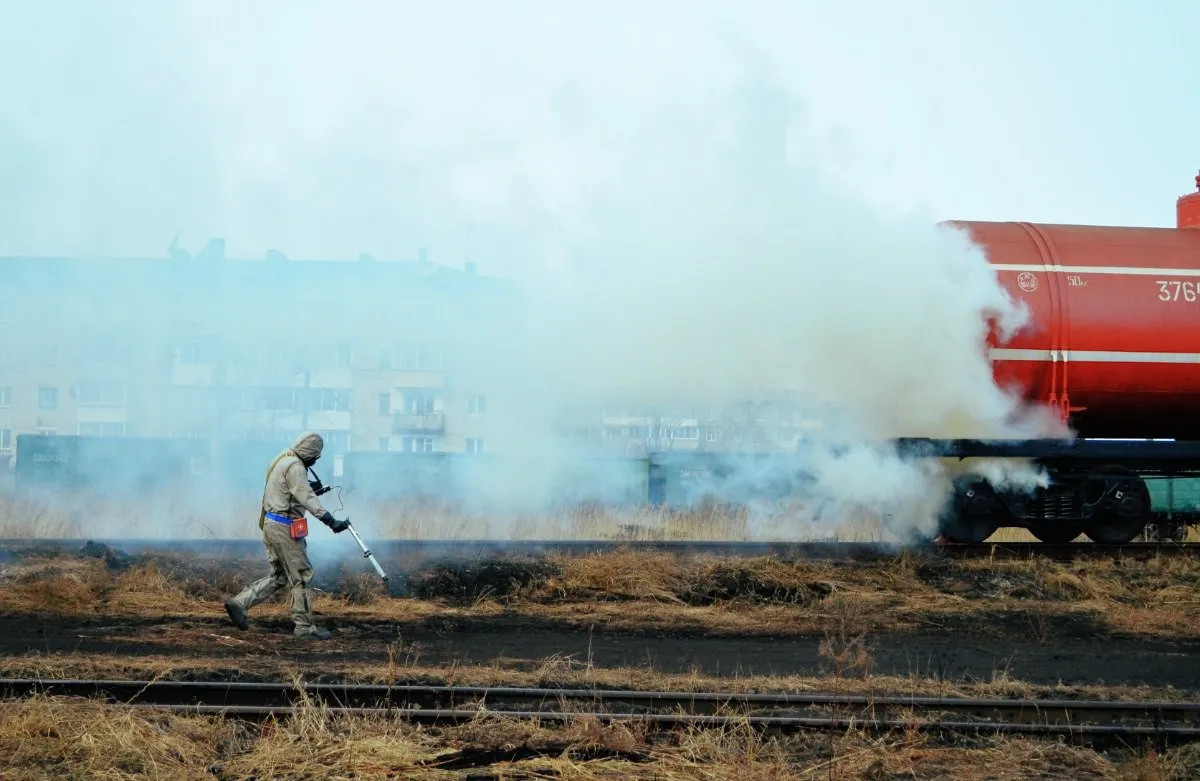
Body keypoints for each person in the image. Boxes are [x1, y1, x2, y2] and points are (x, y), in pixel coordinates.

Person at [224, 432, 350, 640]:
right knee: (302, 576)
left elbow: (286, 493)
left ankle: (240, 603)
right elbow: (307, 498)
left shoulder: (281, 459)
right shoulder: (296, 466)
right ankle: (304, 628)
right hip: (285, 528)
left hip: (271, 525)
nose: (314, 461)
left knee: (279, 576)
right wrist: (330, 521)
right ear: (309, 452)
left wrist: (308, 488)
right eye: (315, 457)